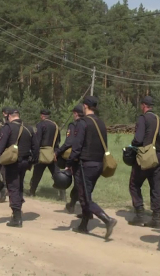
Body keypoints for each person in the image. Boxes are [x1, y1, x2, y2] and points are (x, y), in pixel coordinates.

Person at [66, 96, 117, 240]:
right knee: (86, 194)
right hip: (98, 164)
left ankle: (107, 220)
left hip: (85, 165)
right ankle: (83, 225)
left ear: (85, 106)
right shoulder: (100, 123)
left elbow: (77, 146)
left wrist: (69, 163)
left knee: (85, 198)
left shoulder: (83, 123)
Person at [0, 109, 39, 227]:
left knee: (12, 187)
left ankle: (16, 217)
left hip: (12, 162)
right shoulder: (29, 128)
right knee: (19, 186)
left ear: (9, 117)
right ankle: (17, 209)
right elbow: (36, 147)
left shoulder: (8, 127)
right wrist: (33, 161)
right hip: (25, 162)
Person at [128, 96, 160, 229]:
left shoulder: (143, 118)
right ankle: (156, 218)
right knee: (156, 187)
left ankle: (139, 215)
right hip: (159, 157)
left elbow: (138, 139)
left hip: (145, 157)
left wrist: (131, 145)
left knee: (134, 184)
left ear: (143, 105)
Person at [56, 104, 85, 214]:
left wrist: (58, 152)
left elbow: (69, 142)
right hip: (90, 158)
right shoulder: (89, 123)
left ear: (76, 113)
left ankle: (74, 204)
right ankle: (73, 204)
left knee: (78, 183)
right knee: (82, 183)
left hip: (76, 157)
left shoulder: (75, 125)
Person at [29, 109, 61, 198]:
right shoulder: (55, 125)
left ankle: (32, 192)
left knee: (37, 173)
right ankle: (62, 194)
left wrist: (34, 153)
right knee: (57, 175)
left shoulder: (40, 125)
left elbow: (37, 140)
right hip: (53, 153)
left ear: (42, 116)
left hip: (42, 153)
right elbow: (58, 141)